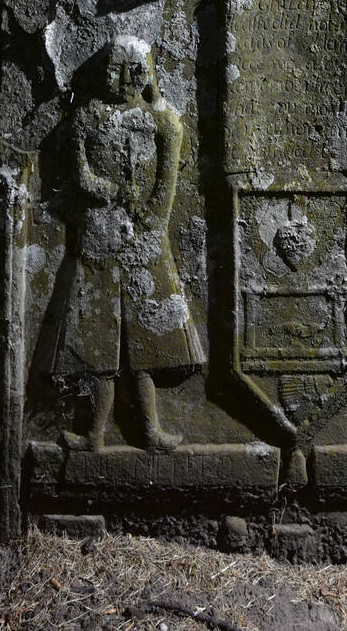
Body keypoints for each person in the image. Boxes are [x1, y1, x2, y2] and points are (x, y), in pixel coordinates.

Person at [52, 35, 204, 451]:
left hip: (144, 241)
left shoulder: (162, 123)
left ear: (145, 75)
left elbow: (164, 191)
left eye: (130, 71)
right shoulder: (87, 117)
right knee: (99, 343)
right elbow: (81, 176)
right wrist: (109, 193)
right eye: (112, 69)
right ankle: (94, 434)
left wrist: (147, 221)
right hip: (100, 233)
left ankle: (150, 432)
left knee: (145, 346)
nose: (119, 80)